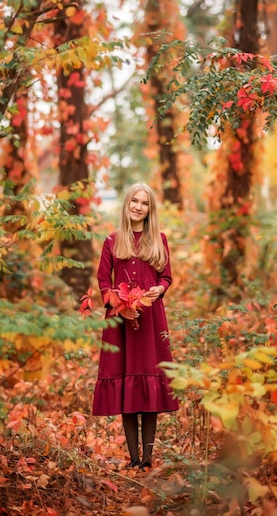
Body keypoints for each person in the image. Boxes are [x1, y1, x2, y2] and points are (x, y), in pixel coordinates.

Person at [92, 183, 179, 471]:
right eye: (134, 201)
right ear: (127, 204)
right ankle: (132, 458)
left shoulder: (159, 239)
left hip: (151, 320)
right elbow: (104, 281)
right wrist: (118, 306)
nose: (138, 207)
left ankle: (147, 459)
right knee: (127, 384)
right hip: (122, 321)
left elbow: (166, 277)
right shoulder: (112, 240)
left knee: (148, 383)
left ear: (149, 209)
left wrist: (159, 289)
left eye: (144, 203)